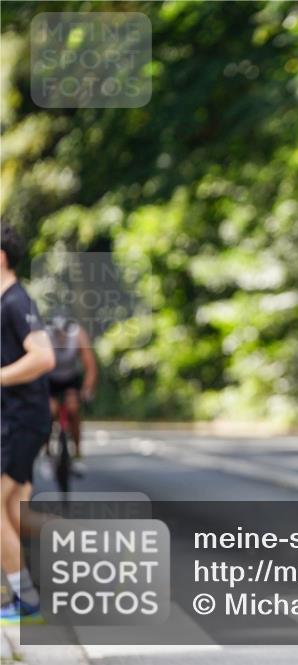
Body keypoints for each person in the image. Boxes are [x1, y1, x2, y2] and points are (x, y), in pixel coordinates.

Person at [0, 224, 55, 624]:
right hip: (19, 419)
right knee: (15, 512)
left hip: (21, 420)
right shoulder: (9, 301)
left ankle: (27, 601)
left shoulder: (14, 302)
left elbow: (43, 357)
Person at [46, 312, 98, 460]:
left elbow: (90, 366)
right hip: (51, 379)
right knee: (50, 411)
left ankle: (77, 449)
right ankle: (47, 447)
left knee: (73, 409)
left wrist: (87, 389)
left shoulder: (78, 335)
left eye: (63, 332)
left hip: (71, 379)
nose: (61, 336)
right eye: (58, 333)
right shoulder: (46, 336)